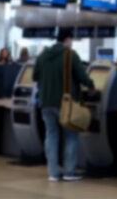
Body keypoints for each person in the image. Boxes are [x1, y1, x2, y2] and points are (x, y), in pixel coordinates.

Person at [33, 29, 94, 182]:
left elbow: (35, 76)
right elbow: (82, 76)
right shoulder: (70, 55)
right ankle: (69, 172)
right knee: (71, 136)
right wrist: (92, 86)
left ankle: (53, 173)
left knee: (51, 135)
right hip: (65, 103)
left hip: (45, 102)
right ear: (67, 39)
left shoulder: (42, 56)